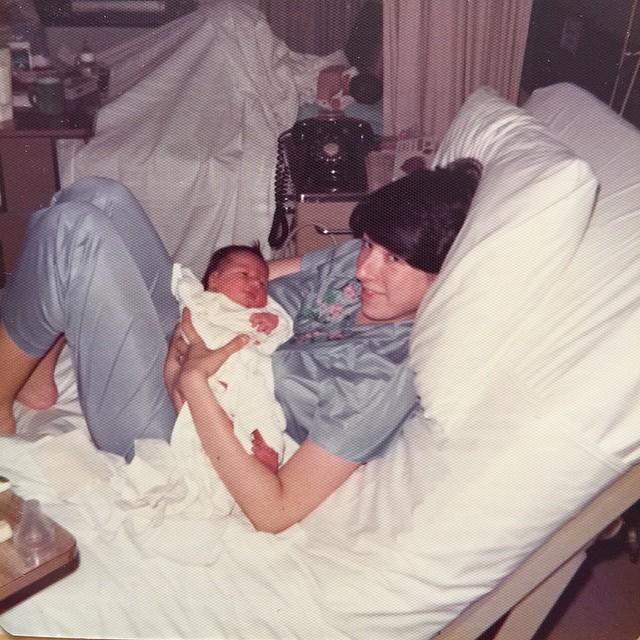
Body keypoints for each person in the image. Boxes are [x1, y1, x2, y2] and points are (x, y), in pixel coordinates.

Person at [0, 159, 481, 533]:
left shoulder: (383, 375)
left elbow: (275, 510)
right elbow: (264, 272)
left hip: (183, 427)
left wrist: (187, 378)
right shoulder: (367, 268)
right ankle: (38, 366)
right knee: (99, 196)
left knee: (74, 237)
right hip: (202, 333)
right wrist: (203, 298)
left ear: (445, 274)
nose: (363, 270)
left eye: (392, 258)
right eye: (368, 246)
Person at [171, 245, 294, 500]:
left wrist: (274, 323)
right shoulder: (204, 301)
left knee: (264, 411)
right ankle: (227, 458)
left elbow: (283, 332)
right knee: (213, 416)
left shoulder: (262, 313)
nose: (256, 285)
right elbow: (186, 320)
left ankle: (269, 453)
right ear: (214, 280)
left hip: (249, 373)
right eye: (244, 275)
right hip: (213, 374)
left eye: (262, 282)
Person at [314, 64, 382, 111]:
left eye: (348, 90)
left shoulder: (350, 99)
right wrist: (344, 73)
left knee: (322, 100)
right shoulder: (353, 73)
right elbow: (345, 67)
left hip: (323, 88)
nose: (346, 84)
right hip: (323, 74)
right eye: (348, 83)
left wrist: (336, 103)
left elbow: (340, 105)